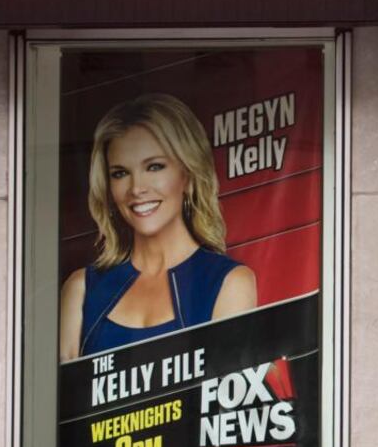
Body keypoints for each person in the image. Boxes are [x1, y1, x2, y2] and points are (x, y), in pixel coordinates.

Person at [60, 94, 256, 361]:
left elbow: (223, 397)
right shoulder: (81, 289)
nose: (136, 188)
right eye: (120, 173)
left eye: (154, 167)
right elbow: (68, 400)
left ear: (188, 175)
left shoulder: (229, 283)